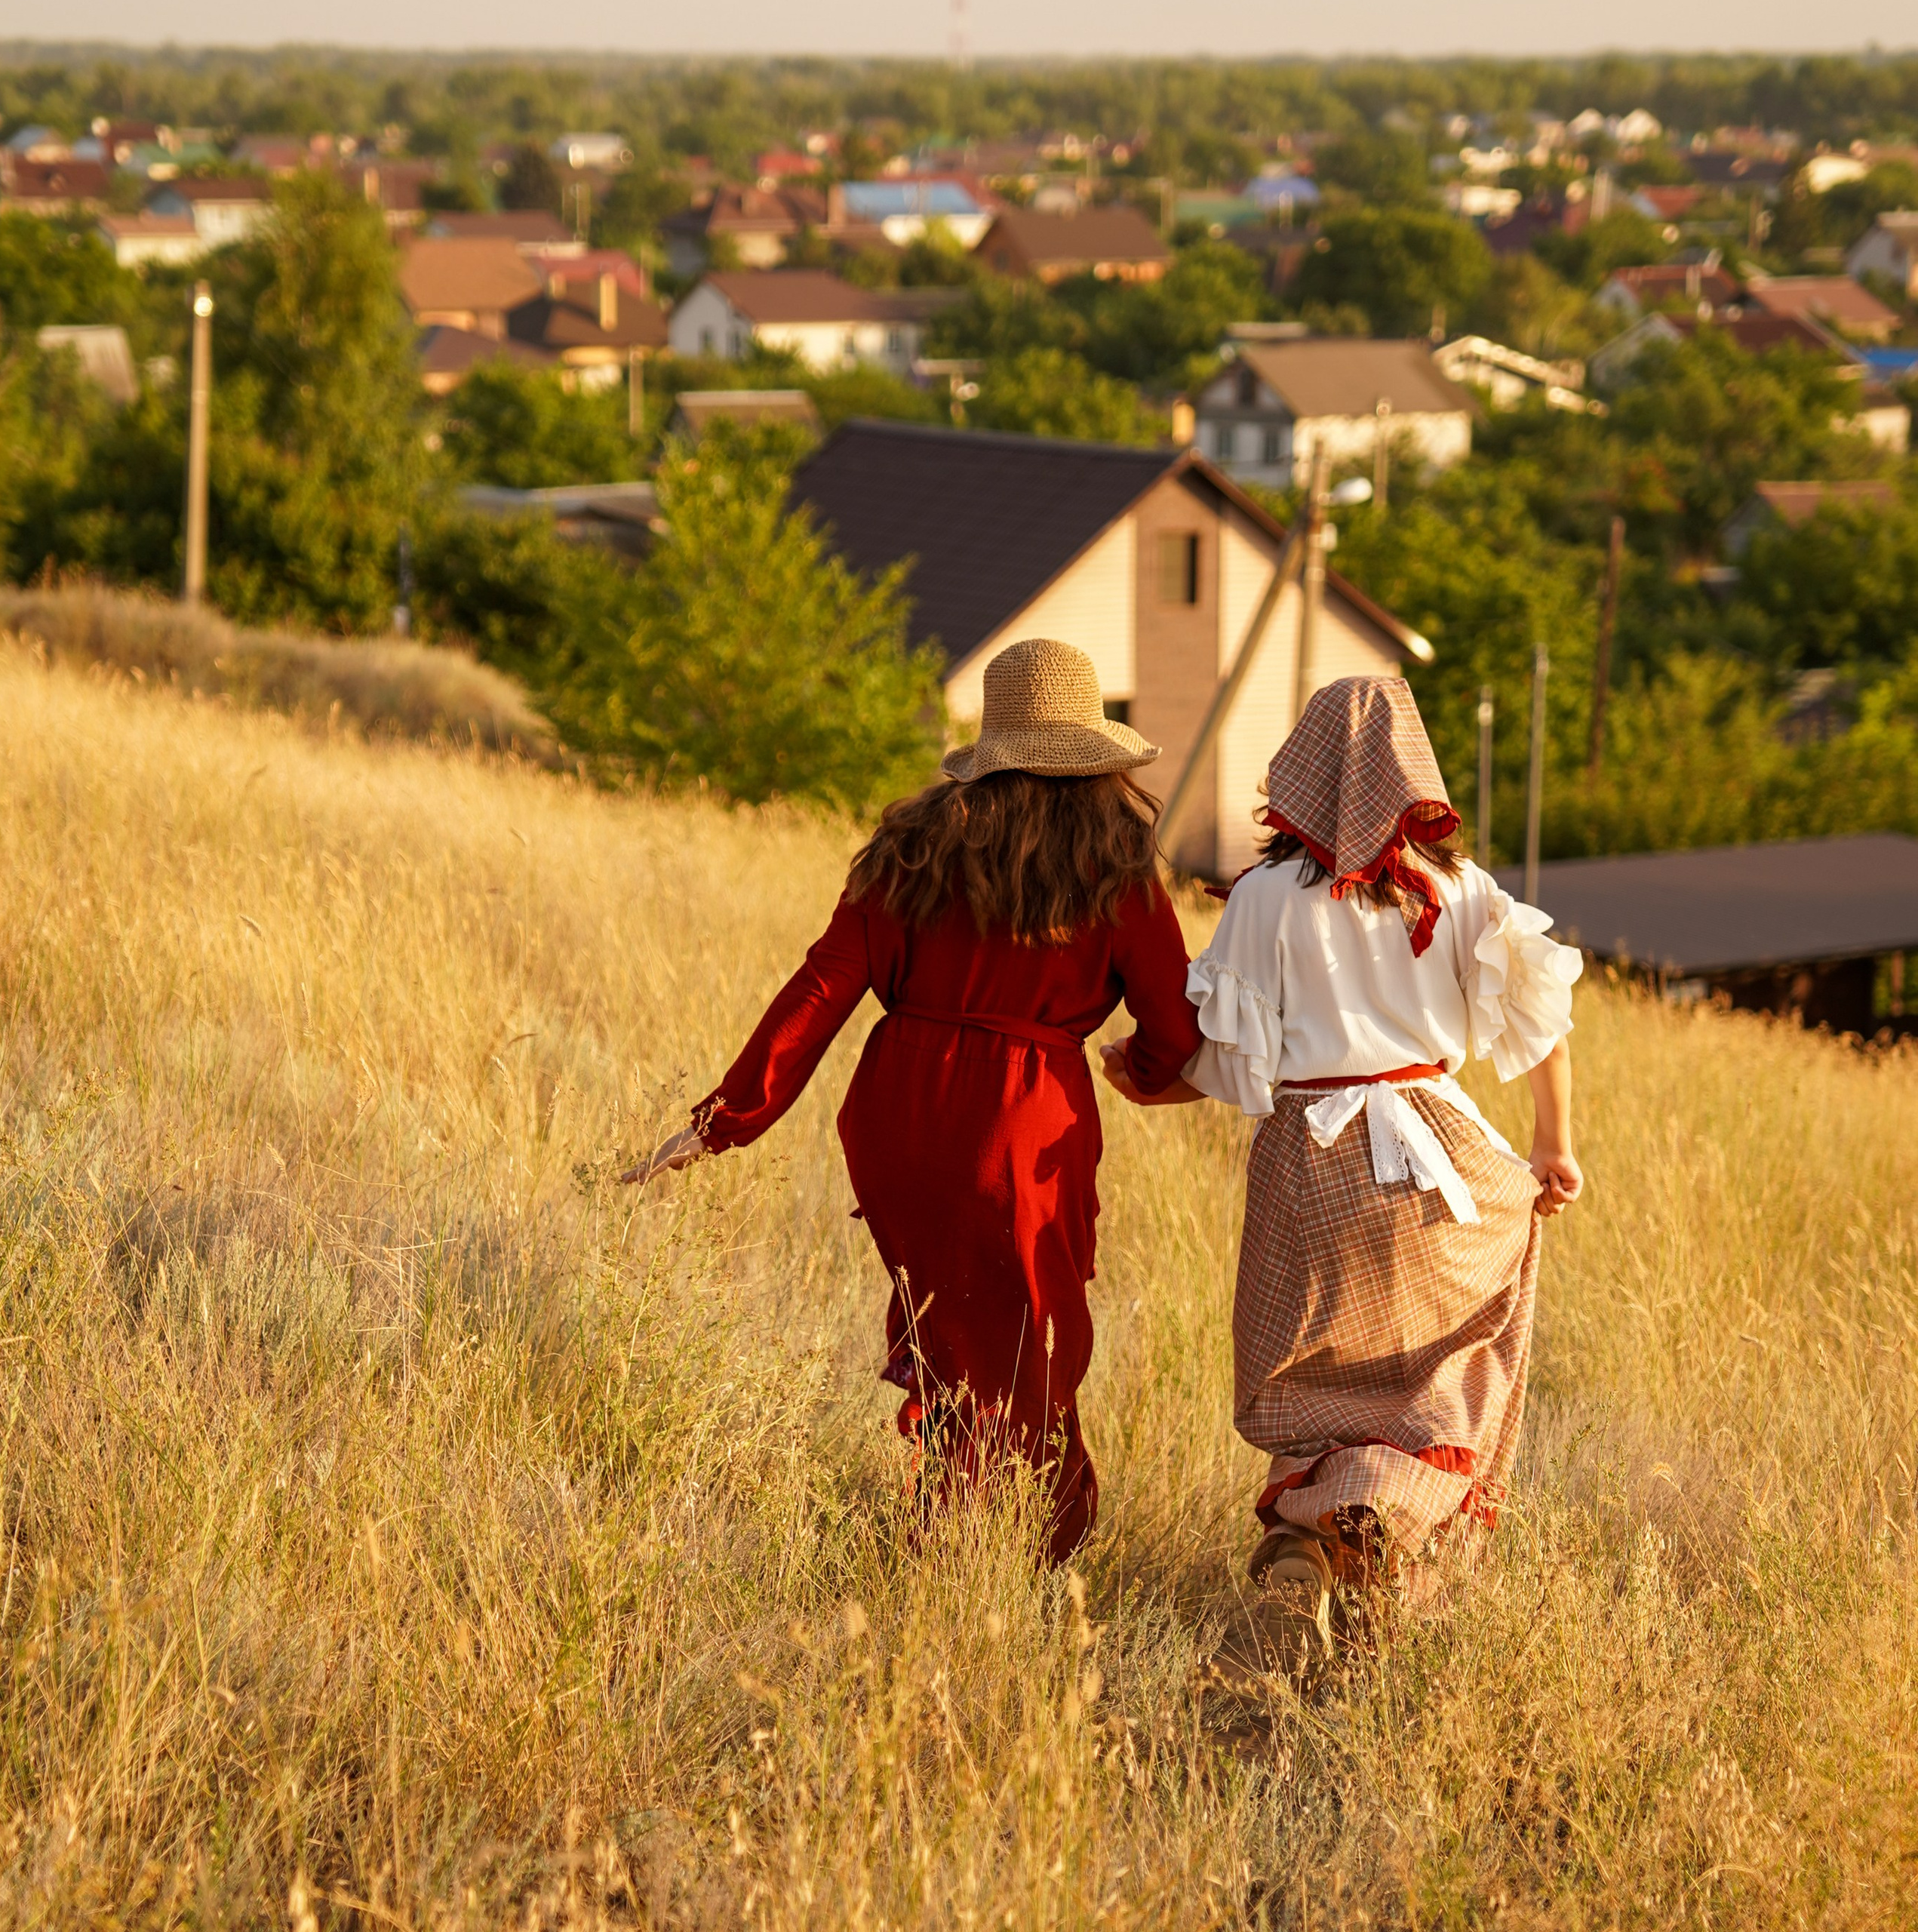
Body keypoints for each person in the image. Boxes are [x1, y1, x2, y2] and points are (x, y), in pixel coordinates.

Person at [624, 638, 1204, 1562]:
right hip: (1022, 1122)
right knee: (1030, 1346)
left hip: (899, 1113)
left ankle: (959, 1525)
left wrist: (720, 1123)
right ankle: (994, 1546)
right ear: (1093, 754)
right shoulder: (1114, 866)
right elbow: (1177, 1033)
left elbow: (821, 988)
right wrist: (1143, 1065)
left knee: (953, 1329)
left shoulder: (910, 846)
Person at [1102, 675, 1583, 1605]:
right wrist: (1551, 1147)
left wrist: (1146, 1081)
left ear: (1299, 774)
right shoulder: (1457, 888)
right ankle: (1381, 1555)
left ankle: (1311, 1545)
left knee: (1316, 1386)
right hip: (1447, 1168)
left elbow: (1228, 1057)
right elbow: (1543, 1016)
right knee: (1450, 1384)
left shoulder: (1265, 900)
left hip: (1311, 1167)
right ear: (1413, 777)